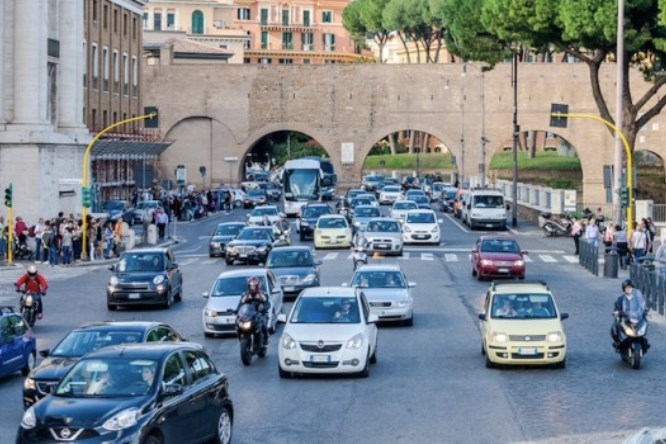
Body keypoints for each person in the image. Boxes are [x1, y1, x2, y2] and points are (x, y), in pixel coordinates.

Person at [611, 279, 649, 348]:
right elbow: (617, 307)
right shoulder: (621, 299)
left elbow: (641, 305)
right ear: (624, 289)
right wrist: (617, 312)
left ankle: (644, 343)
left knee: (644, 324)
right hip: (626, 319)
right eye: (627, 288)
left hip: (636, 318)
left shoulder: (637, 297)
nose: (629, 289)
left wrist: (645, 310)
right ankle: (618, 342)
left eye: (630, 287)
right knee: (615, 326)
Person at [240, 276, 270, 343]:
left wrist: (264, 308)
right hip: (249, 315)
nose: (252, 288)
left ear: (257, 286)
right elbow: (240, 304)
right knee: (238, 323)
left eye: (254, 286)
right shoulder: (245, 295)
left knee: (264, 325)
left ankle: (266, 339)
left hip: (260, 315)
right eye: (251, 286)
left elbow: (267, 304)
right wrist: (236, 311)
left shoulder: (262, 294)